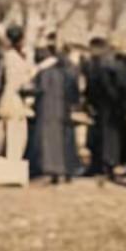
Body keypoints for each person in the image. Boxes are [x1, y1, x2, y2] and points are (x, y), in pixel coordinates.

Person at [29, 44, 80, 183]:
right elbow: (74, 93)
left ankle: (51, 170)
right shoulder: (69, 72)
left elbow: (38, 90)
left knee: (48, 142)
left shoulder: (43, 73)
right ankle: (66, 171)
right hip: (63, 110)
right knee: (64, 142)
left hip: (47, 111)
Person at [0, 25, 32, 159]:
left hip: (11, 99)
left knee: (11, 138)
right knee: (13, 138)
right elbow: (13, 83)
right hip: (12, 100)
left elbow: (9, 83)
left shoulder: (12, 57)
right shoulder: (13, 57)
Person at [83, 37, 126, 178]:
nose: (91, 51)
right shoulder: (94, 63)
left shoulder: (108, 64)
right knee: (97, 137)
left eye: (93, 48)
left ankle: (108, 165)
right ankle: (97, 164)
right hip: (100, 106)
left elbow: (117, 86)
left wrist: (115, 102)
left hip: (108, 107)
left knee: (108, 138)